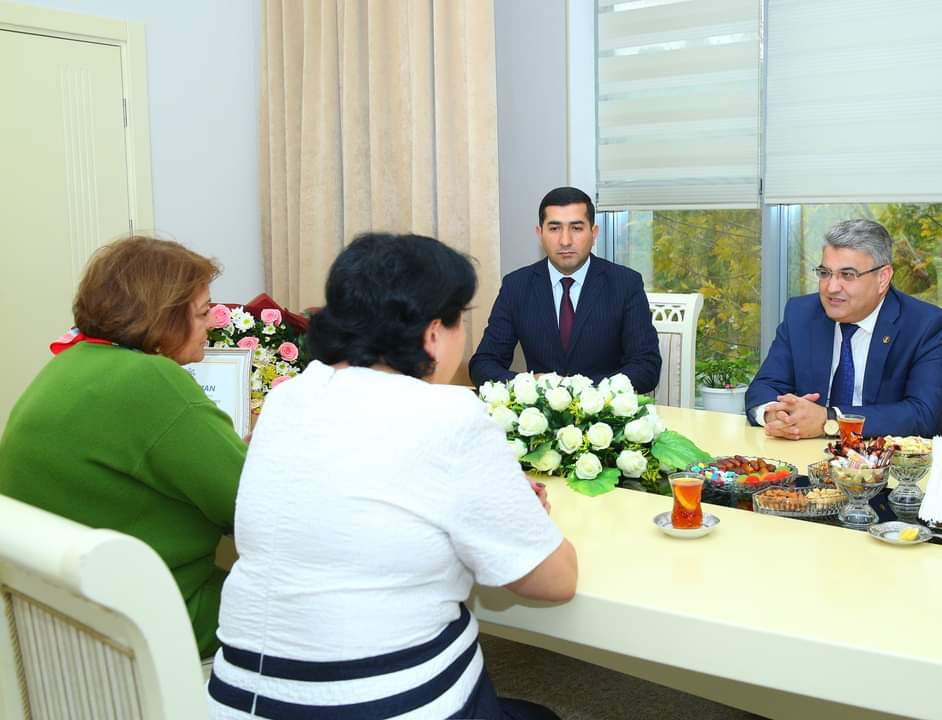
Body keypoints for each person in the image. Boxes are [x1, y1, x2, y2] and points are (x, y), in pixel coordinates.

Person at [209, 233, 577, 720]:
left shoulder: (286, 399)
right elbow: (554, 581)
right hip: (375, 705)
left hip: (238, 701)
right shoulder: (449, 414)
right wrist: (517, 509)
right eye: (459, 320)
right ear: (433, 333)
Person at [0, 236, 246, 658]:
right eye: (203, 313)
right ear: (164, 316)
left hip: (63, 624)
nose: (212, 324)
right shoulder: (150, 381)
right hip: (157, 619)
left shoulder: (68, 364)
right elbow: (254, 501)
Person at [745, 219, 942, 439]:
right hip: (808, 451)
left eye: (847, 275)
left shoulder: (926, 325)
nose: (832, 287)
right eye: (825, 273)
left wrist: (830, 420)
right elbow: (765, 386)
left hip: (889, 455)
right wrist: (776, 416)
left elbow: (923, 415)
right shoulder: (801, 314)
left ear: (883, 278)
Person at [469, 186, 661, 393]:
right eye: (554, 228)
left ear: (594, 232)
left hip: (603, 409)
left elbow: (646, 367)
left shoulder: (626, 283)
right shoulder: (517, 285)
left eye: (576, 228)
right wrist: (530, 384)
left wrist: (581, 391)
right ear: (540, 233)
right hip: (539, 410)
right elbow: (483, 364)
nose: (565, 241)